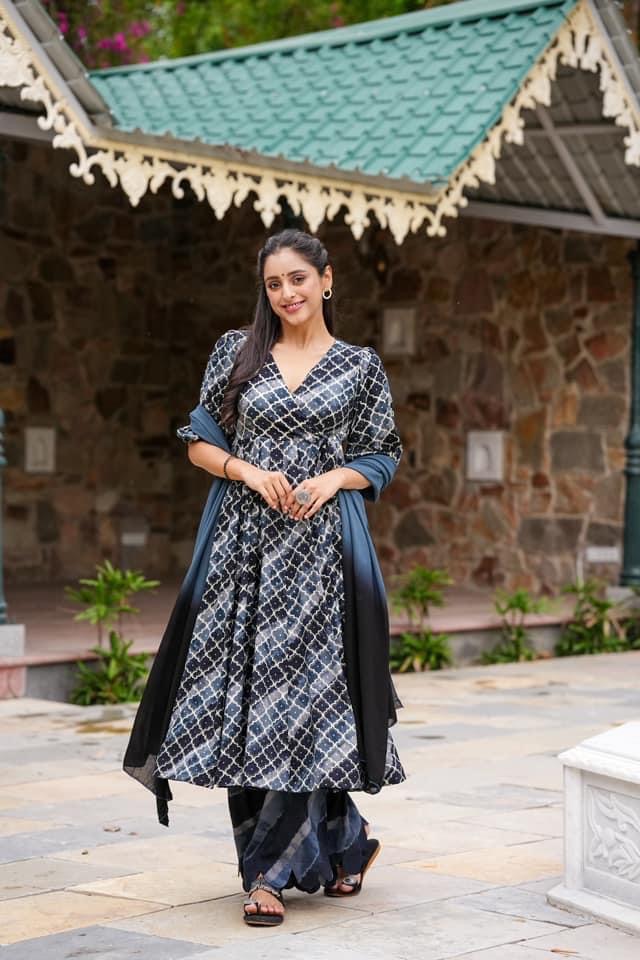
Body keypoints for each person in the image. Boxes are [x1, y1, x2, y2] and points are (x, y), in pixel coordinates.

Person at [122, 227, 405, 927]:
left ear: (327, 280)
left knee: (310, 702)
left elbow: (382, 453)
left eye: (298, 279)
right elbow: (198, 443)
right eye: (274, 283)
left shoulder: (360, 367)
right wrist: (248, 471)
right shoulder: (237, 352)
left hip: (323, 557)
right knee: (251, 704)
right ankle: (329, 847)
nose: (286, 294)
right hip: (243, 552)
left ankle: (279, 871)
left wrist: (334, 479)